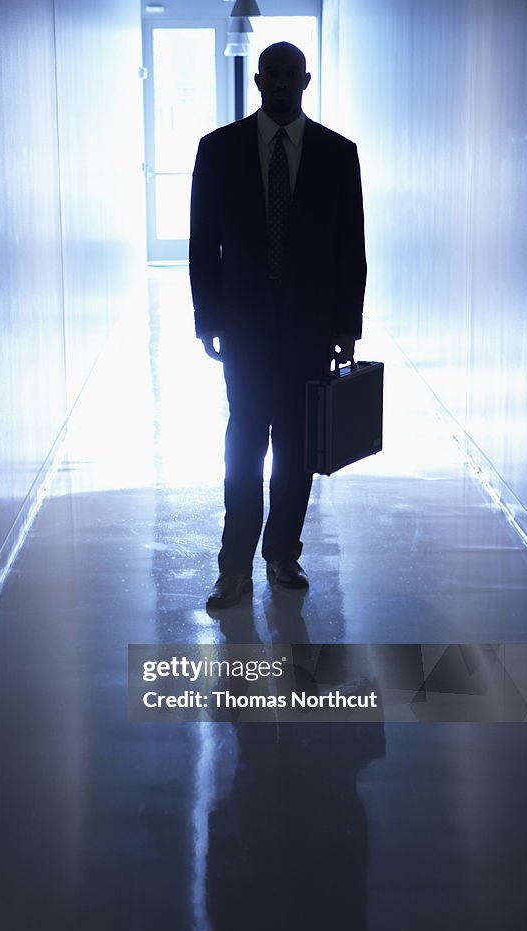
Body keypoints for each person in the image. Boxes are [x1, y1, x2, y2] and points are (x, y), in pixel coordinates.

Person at [189, 41, 367, 609]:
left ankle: (282, 554)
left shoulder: (339, 155)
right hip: (243, 329)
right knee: (244, 442)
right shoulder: (218, 150)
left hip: (310, 330)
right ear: (259, 80)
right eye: (274, 74)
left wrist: (348, 324)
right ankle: (234, 566)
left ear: (306, 80)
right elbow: (202, 244)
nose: (283, 83)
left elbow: (351, 247)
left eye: (293, 74)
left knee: (296, 445)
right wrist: (207, 318)